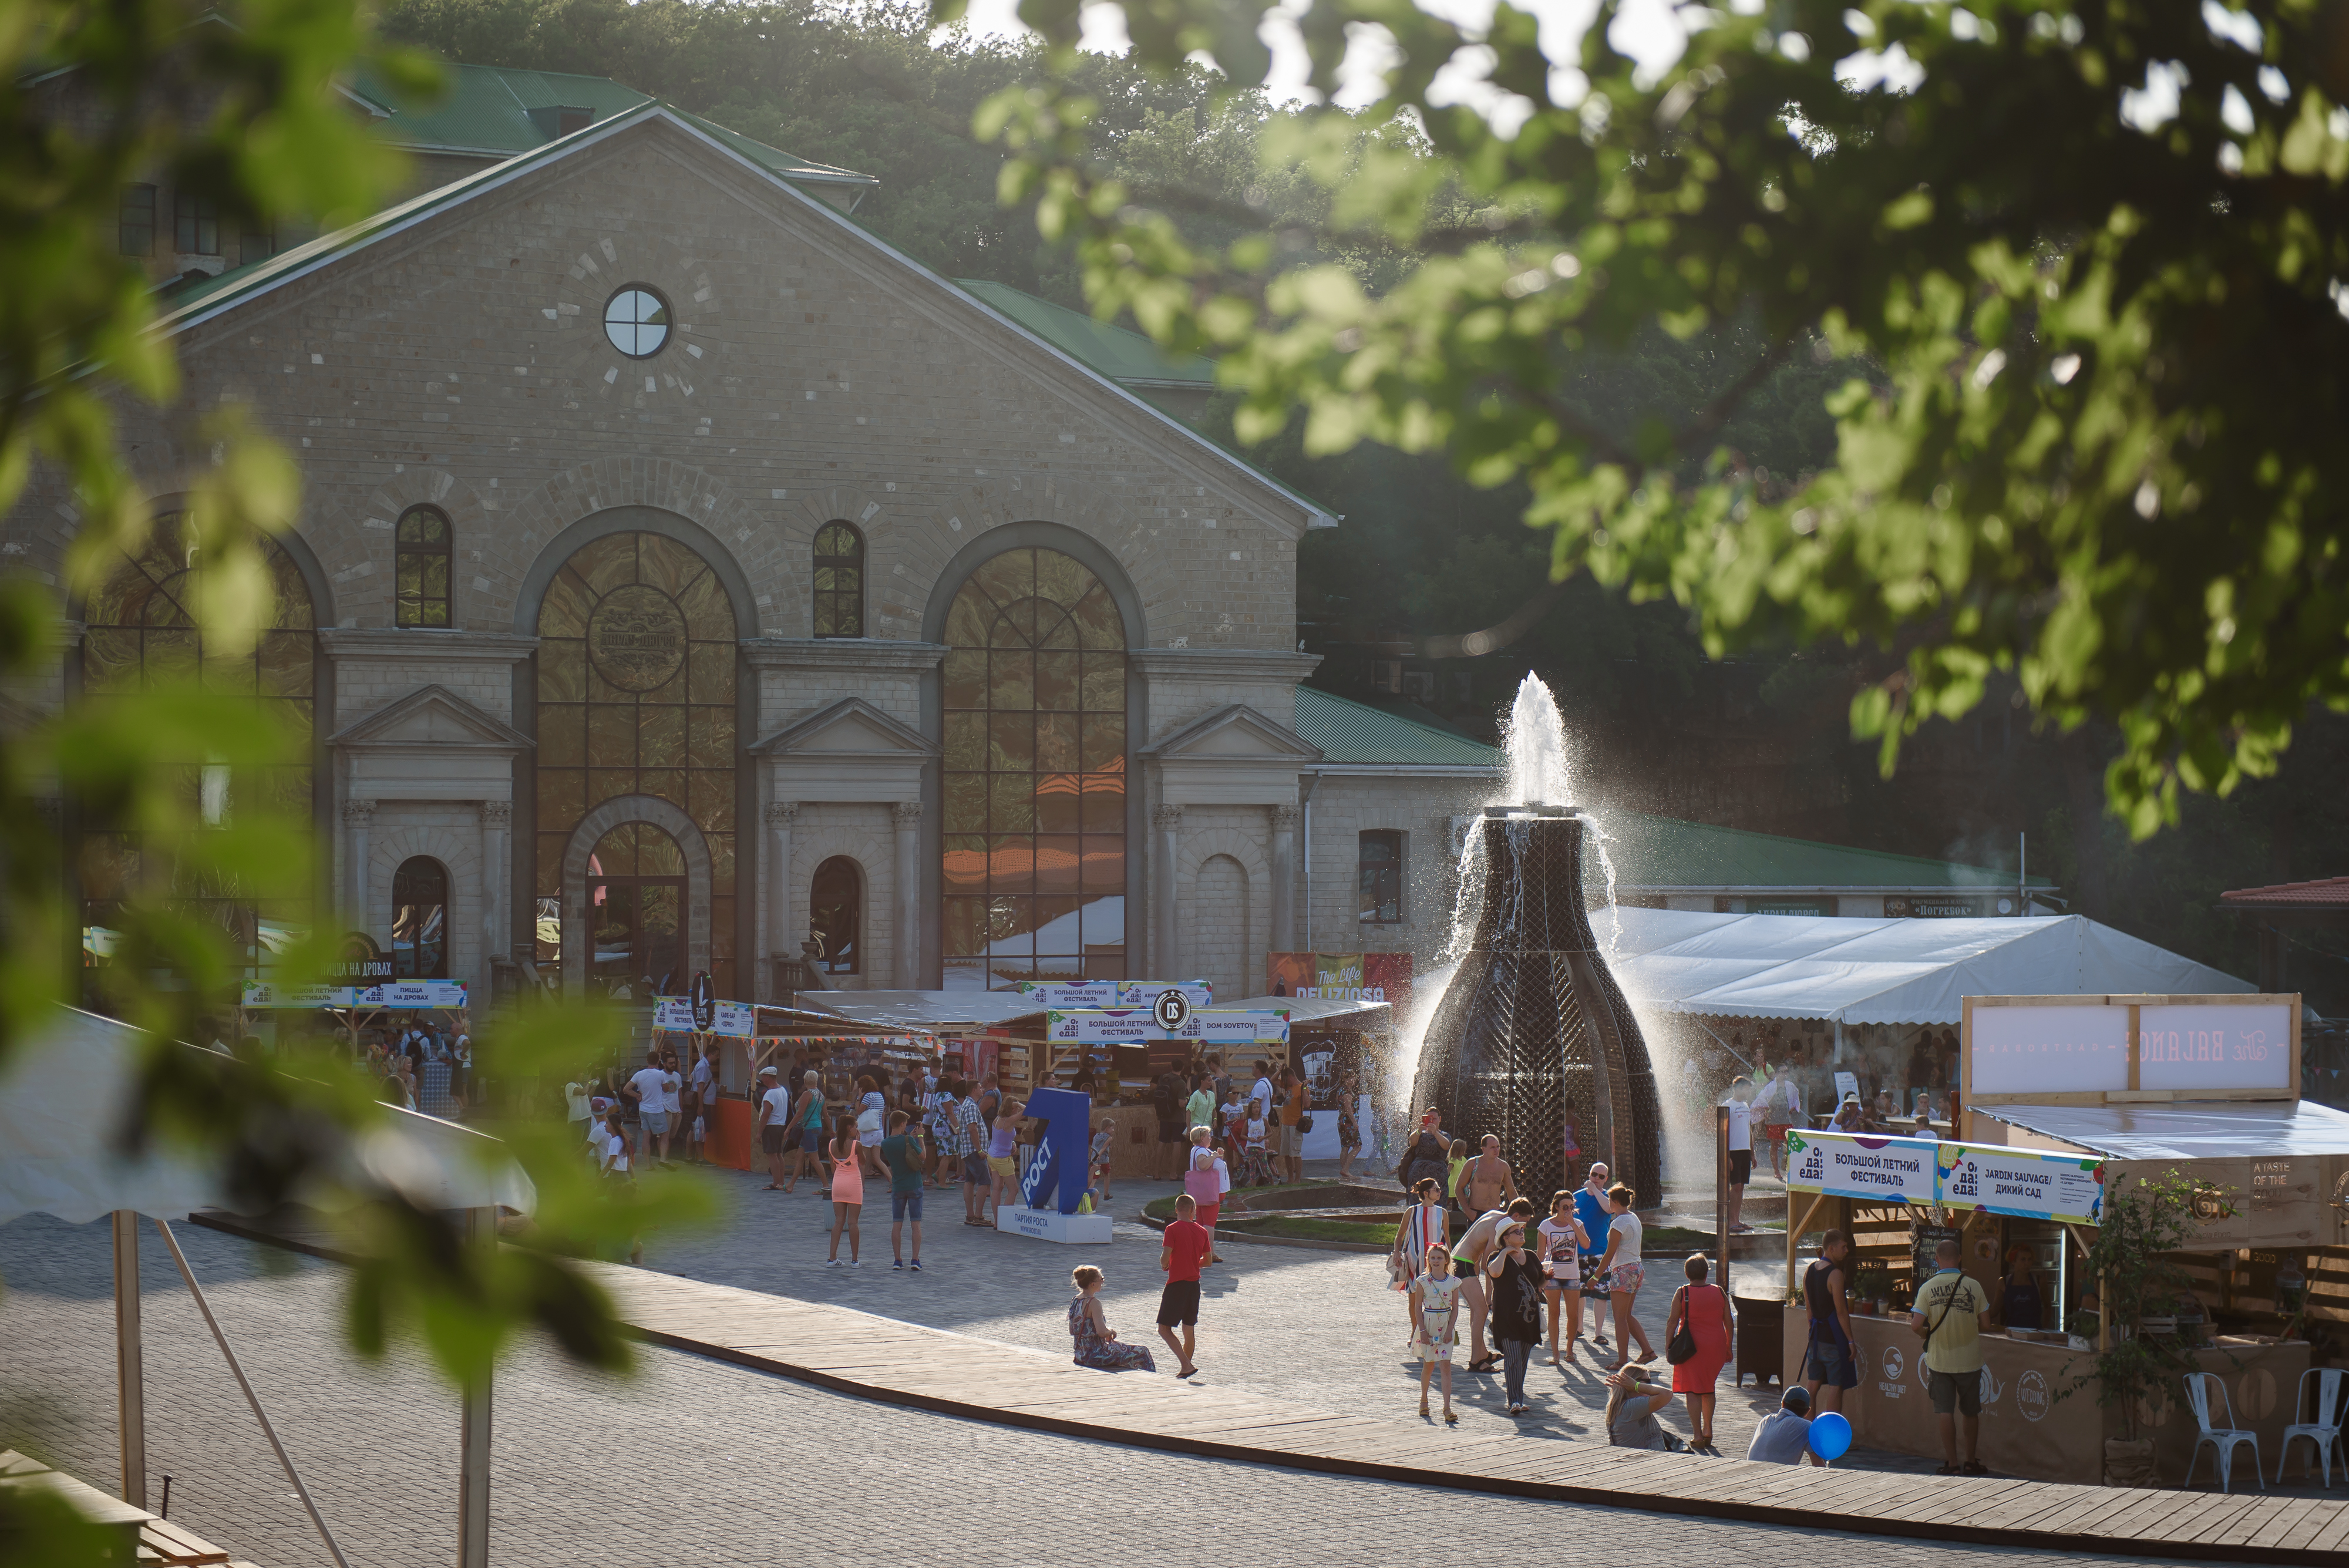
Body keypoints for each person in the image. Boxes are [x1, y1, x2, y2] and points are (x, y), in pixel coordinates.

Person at [1912, 1236, 1991, 1475]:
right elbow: (1986, 1324)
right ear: (1958, 1259)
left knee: (1945, 1411)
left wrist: (1927, 1333)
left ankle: (1953, 1464)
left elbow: (1916, 1325)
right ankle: (1970, 1461)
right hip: (1969, 1359)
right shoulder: (1974, 1286)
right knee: (1970, 1411)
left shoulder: (1927, 1288)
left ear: (1936, 1260)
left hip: (1940, 1360)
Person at [1451, 1196, 1535, 1372]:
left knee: (1477, 1311)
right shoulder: (1501, 1225)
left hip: (1460, 1260)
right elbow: (1487, 1265)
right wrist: (1490, 1297)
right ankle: (1476, 1361)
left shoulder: (1496, 1214)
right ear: (1516, 1215)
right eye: (1523, 1223)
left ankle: (1482, 1353)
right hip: (1462, 1265)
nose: (1522, 1229)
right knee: (1481, 1310)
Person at [1665, 1253, 1735, 1449]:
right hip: (1715, 1346)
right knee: (1708, 1386)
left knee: (1693, 1390)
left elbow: (1672, 1321)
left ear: (1687, 1274)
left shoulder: (1683, 1293)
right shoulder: (1719, 1292)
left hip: (1691, 1347)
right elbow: (1729, 1321)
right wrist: (1728, 1345)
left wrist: (1668, 1343)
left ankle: (1697, 1435)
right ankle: (1708, 1429)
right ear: (1706, 1273)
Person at [1483, 1218, 1546, 1414]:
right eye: (1516, 1232)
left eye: (1521, 1230)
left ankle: (1518, 1397)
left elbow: (1540, 1282)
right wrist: (1505, 1252)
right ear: (1506, 1238)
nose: (1521, 1233)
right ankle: (1514, 1401)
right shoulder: (1496, 1256)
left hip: (1529, 1318)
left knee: (1522, 1360)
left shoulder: (1531, 1255)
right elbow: (1494, 1272)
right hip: (1507, 1317)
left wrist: (1548, 1277)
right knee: (1512, 1359)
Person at [1594, 1183, 1655, 1369]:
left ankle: (1622, 1361)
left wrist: (1595, 1277)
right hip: (1636, 1268)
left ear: (1614, 1201)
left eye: (1609, 1201)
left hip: (1623, 1270)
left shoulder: (1618, 1222)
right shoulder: (1633, 1218)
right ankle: (1647, 1352)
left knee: (1619, 1317)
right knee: (1626, 1315)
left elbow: (1610, 1252)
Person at [1801, 1227, 1859, 1416]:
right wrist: (1850, 1341)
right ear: (1831, 1249)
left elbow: (1809, 1309)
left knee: (1812, 1385)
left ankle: (1809, 1434)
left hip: (1815, 1339)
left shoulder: (1808, 1271)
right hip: (1833, 1339)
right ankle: (1830, 1436)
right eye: (1844, 1247)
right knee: (1836, 1386)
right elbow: (1841, 1312)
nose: (1847, 1251)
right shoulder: (1835, 1274)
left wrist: (1812, 1333)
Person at [1156, 1193, 1210, 1377]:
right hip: (1194, 1285)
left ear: (1176, 1210)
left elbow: (1165, 1257)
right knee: (1189, 1327)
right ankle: (1185, 1367)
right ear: (1193, 1211)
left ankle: (1186, 1365)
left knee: (1164, 1328)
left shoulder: (1172, 1229)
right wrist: (1193, 1263)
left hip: (1177, 1284)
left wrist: (1166, 1265)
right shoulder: (1202, 1231)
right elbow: (1208, 1260)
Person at [1409, 1243, 1462, 1423]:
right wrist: (1422, 1331)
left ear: (1447, 1260)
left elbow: (1455, 1308)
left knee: (1446, 1366)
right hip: (1429, 1323)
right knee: (1429, 1364)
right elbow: (1418, 1307)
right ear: (1428, 1260)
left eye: (1440, 1258)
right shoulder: (1422, 1281)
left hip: (1446, 1324)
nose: (1436, 1261)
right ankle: (1424, 1400)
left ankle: (1447, 1407)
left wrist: (1450, 1329)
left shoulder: (1454, 1282)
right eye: (1433, 1258)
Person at [1069, 1265, 1157, 1372]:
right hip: (1096, 1356)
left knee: (1122, 1347)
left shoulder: (1075, 1300)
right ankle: (1151, 1379)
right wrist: (1110, 1331)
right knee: (1143, 1352)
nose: (1102, 1282)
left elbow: (1072, 1330)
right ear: (1093, 1284)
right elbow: (1102, 1332)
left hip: (1080, 1354)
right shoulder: (1094, 1303)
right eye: (1101, 1280)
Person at [1536, 1189, 1589, 1366]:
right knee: (1554, 1314)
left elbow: (1586, 1244)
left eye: (1571, 1207)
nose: (1568, 1210)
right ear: (1556, 1207)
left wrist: (1573, 1224)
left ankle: (1570, 1349)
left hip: (1572, 1275)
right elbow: (1540, 1253)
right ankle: (1555, 1352)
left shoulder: (1578, 1223)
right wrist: (1538, 1277)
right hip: (1552, 1275)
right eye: (1565, 1207)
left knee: (1573, 1315)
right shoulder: (1546, 1225)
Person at [1392, 1177, 1449, 1335]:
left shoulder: (1442, 1212)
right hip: (1414, 1260)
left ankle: (1433, 1331)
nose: (1439, 1192)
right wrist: (1397, 1252)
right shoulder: (1412, 1211)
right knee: (1415, 1300)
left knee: (1436, 1298)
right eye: (1436, 1190)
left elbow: (1447, 1240)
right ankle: (1416, 1332)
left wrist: (1450, 1261)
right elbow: (1400, 1236)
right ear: (1426, 1193)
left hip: (1437, 1262)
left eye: (1438, 1189)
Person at [1574, 1162, 1615, 1355]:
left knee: (1601, 1293)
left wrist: (1595, 1190)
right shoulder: (1576, 1197)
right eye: (1594, 1175)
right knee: (1579, 1292)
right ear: (1589, 1174)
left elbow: (1609, 1209)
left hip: (1601, 1252)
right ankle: (1579, 1328)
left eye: (1601, 1177)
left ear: (1606, 1179)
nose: (1596, 1179)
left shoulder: (1608, 1197)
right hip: (1579, 1252)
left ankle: (1599, 1332)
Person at [880, 1109, 925, 1271]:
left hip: (898, 1186)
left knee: (897, 1223)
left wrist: (910, 1139)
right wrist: (920, 1138)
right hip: (914, 1184)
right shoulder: (908, 1140)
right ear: (901, 1124)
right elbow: (922, 1156)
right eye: (906, 1123)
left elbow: (900, 1152)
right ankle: (915, 1259)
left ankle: (897, 1260)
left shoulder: (885, 1143)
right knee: (916, 1224)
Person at [1603, 1366, 1680, 1450]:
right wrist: (1636, 1386)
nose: (1649, 1386)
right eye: (1647, 1382)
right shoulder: (1632, 1407)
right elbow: (1666, 1394)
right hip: (1644, 1460)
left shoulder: (1622, 1405)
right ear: (1631, 1383)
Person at [1747, 1385, 1828, 1466]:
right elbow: (1818, 1466)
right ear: (1808, 1411)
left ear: (1782, 1404)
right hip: (1775, 1476)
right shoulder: (1806, 1426)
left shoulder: (1766, 1420)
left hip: (1750, 1473)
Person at [825, 1115, 864, 1266]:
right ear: (849, 1128)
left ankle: (832, 1258)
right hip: (853, 1183)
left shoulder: (831, 1144)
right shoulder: (856, 1145)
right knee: (853, 1222)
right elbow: (863, 1162)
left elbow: (833, 1167)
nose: (857, 1129)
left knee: (838, 1221)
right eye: (855, 1126)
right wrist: (859, 1142)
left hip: (838, 1183)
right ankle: (854, 1260)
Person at [1182, 1125, 1223, 1264]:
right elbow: (1202, 1165)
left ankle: (1199, 1250)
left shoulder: (1195, 1150)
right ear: (1202, 1138)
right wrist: (1214, 1156)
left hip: (1199, 1191)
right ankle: (1209, 1252)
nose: (1211, 1138)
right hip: (1208, 1192)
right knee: (1209, 1223)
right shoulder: (1202, 1151)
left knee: (1200, 1222)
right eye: (1208, 1136)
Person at [625, 1052, 672, 1163]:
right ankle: (663, 1159)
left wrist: (637, 1096)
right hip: (657, 1110)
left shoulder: (639, 1075)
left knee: (646, 1137)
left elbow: (626, 1089)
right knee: (664, 1136)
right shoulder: (661, 1074)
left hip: (643, 1109)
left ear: (647, 1061)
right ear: (658, 1061)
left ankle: (648, 1164)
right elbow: (666, 1089)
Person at [957, 1080, 992, 1226]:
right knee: (985, 1181)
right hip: (974, 1150)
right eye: (980, 1087)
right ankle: (978, 1216)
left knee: (970, 1181)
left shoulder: (967, 1104)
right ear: (973, 1090)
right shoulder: (971, 1106)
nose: (982, 1089)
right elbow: (972, 1128)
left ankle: (970, 1215)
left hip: (968, 1150)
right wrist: (979, 1150)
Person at [1460, 1134, 1519, 1217]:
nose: (1496, 1150)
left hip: (1495, 1212)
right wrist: (1468, 1212)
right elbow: (1459, 1188)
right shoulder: (1473, 1164)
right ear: (1484, 1149)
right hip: (1476, 1213)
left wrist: (1518, 1212)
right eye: (1493, 1147)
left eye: (1498, 1147)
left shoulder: (1503, 1166)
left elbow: (1511, 1192)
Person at [1724, 1077, 1755, 1234]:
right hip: (1733, 1152)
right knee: (1735, 1186)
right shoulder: (1727, 1106)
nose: (1749, 1092)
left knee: (1741, 1187)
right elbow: (1724, 1132)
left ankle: (1737, 1219)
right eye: (1747, 1089)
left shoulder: (1745, 1106)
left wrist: (1753, 1153)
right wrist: (1726, 1155)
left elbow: (1749, 1130)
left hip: (1745, 1151)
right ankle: (1731, 1221)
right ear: (1738, 1088)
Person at [756, 1065, 793, 1190]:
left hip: (771, 1126)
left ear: (768, 1077)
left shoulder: (770, 1094)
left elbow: (766, 1114)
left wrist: (759, 1133)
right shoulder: (783, 1090)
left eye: (763, 1077)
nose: (762, 1080)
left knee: (772, 1155)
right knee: (778, 1154)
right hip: (780, 1126)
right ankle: (781, 1181)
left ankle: (776, 1183)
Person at [987, 1095, 1022, 1219]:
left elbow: (1000, 1137)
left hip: (992, 1156)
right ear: (1012, 1108)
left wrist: (1012, 1143)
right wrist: (1018, 1104)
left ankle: (997, 1220)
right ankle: (1005, 1220)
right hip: (1002, 1159)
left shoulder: (998, 1119)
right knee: (1013, 1189)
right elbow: (1028, 1111)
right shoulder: (1009, 1121)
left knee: (997, 1187)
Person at [1153, 1063, 1188, 1180]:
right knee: (1177, 1142)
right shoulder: (1181, 1083)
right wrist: (1188, 1099)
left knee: (1162, 1142)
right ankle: (1173, 1173)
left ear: (1171, 1067)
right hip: (1177, 1117)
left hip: (1164, 1115)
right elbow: (1181, 1103)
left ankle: (1156, 1173)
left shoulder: (1163, 1078)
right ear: (1182, 1068)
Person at [1997, 1244, 2044, 1331]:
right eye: (2023, 1260)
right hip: (2012, 1332)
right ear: (2013, 1261)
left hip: (2035, 1333)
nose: (2027, 1263)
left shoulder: (2039, 1281)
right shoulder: (2003, 1282)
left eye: (2029, 1260)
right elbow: (1994, 1311)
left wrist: (2044, 1330)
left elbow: (2048, 1307)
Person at [1275, 1066, 1307, 1183]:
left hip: (1296, 1125)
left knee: (1296, 1153)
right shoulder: (1288, 1086)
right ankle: (1290, 1178)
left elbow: (1307, 1104)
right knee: (1287, 1153)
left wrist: (1304, 1088)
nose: (1283, 1081)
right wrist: (1279, 1070)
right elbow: (1273, 1080)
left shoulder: (1301, 1087)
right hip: (1286, 1124)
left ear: (1290, 1077)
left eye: (1285, 1078)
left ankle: (1298, 1179)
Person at [1336, 1070, 1362, 1182]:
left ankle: (1344, 1171)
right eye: (1351, 1078)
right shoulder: (1347, 1092)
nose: (1353, 1080)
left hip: (1342, 1121)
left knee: (1345, 1146)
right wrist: (1354, 1123)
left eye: (1354, 1078)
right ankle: (1346, 1169)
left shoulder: (1341, 1090)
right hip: (1348, 1123)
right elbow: (1348, 1109)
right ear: (1345, 1079)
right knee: (1358, 1146)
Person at [1087, 1115, 1117, 1207]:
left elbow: (1093, 1147)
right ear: (1107, 1128)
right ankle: (1106, 1194)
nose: (1113, 1130)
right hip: (1103, 1159)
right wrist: (1099, 1155)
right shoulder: (1109, 1138)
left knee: (1094, 1177)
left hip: (1094, 1158)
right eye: (1112, 1128)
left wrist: (1092, 1157)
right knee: (1107, 1174)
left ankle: (1088, 1193)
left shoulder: (1096, 1136)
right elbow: (1104, 1147)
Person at [1184, 1074, 1215, 1151]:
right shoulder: (1195, 1095)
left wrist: (1215, 1119)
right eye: (1209, 1081)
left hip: (1208, 1127)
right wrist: (1189, 1128)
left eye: (1211, 1081)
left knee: (1208, 1148)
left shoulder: (1212, 1095)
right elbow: (1189, 1111)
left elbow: (1214, 1109)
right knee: (1197, 1148)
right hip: (1197, 1126)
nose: (1210, 1083)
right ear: (1202, 1081)